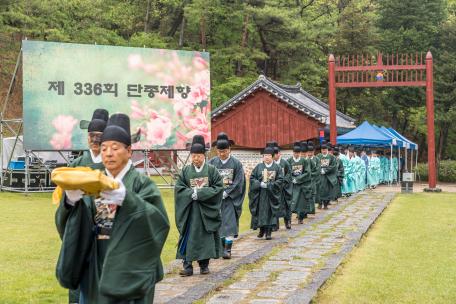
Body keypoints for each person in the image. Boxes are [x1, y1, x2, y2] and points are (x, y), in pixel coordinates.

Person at [55, 113, 170, 304]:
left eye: (115, 148)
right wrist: (70, 203)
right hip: (95, 265)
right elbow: (73, 227)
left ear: (129, 151)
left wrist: (128, 200)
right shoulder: (93, 181)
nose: (108, 153)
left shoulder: (142, 184)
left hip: (131, 267)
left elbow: (158, 223)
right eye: (104, 148)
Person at [65, 108, 108, 304]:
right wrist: (70, 200)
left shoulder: (112, 165)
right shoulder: (76, 164)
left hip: (107, 231)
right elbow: (64, 206)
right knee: (80, 271)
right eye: (91, 135)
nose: (95, 140)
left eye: (99, 136)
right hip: (81, 230)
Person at [175, 135, 224, 276]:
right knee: (187, 236)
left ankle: (204, 265)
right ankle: (187, 265)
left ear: (204, 155)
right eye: (193, 156)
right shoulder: (185, 171)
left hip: (205, 212)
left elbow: (218, 188)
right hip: (190, 211)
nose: (195, 159)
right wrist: (191, 193)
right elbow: (179, 188)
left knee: (205, 238)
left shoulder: (211, 170)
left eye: (198, 156)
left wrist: (201, 194)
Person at [208, 132, 246, 259]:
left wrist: (227, 192)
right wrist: (216, 192)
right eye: (219, 151)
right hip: (216, 198)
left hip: (230, 199)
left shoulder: (236, 164)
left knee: (229, 224)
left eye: (224, 151)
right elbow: (208, 180)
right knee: (217, 222)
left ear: (229, 150)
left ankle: (228, 250)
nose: (221, 154)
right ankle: (220, 247)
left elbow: (239, 182)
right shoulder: (212, 162)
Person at [249, 145, 283, 240]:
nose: (266, 157)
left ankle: (269, 231)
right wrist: (259, 184)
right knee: (260, 212)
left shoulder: (277, 167)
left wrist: (269, 185)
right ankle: (262, 229)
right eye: (265, 155)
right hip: (260, 194)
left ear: (272, 156)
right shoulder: (258, 167)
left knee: (270, 213)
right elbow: (252, 178)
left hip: (271, 195)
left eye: (268, 155)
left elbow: (280, 180)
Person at [268, 141, 292, 230]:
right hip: (275, 188)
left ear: (279, 154)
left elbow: (289, 174)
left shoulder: (284, 163)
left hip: (284, 189)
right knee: (275, 205)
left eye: (276, 154)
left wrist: (283, 183)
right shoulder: (272, 164)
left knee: (286, 205)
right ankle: (276, 223)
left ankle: (288, 221)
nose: (274, 156)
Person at [288, 142, 312, 224]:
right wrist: (292, 179)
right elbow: (287, 173)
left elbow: (307, 172)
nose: (296, 154)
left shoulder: (304, 161)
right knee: (291, 202)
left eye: (298, 153)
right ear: (293, 153)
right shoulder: (289, 161)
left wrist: (298, 179)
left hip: (301, 185)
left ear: (300, 153)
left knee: (301, 202)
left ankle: (300, 218)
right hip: (292, 185)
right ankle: (288, 218)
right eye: (295, 153)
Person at [317, 142, 337, 209]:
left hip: (327, 177)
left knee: (327, 191)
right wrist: (320, 170)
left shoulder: (331, 157)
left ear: (327, 150)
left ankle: (325, 204)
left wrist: (325, 170)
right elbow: (316, 165)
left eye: (325, 150)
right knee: (319, 190)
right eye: (322, 150)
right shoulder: (318, 156)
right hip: (320, 176)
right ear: (321, 150)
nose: (324, 151)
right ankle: (320, 203)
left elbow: (333, 166)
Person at [306, 142, 319, 214]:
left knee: (312, 195)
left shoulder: (316, 159)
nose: (310, 153)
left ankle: (312, 210)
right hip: (305, 180)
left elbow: (318, 170)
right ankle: (306, 210)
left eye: (311, 152)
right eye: (308, 152)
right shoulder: (305, 159)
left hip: (313, 180)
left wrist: (311, 175)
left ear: (313, 152)